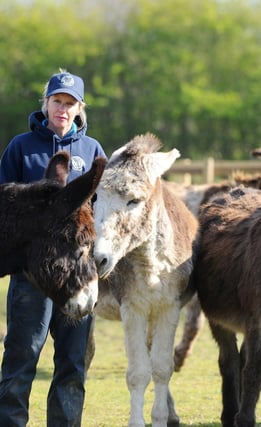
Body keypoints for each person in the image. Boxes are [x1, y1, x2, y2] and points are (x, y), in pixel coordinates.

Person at [0, 70, 106, 427]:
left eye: (70, 103)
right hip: (30, 278)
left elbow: (102, 209)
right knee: (21, 357)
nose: (63, 109)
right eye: (57, 101)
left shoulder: (92, 152)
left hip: (75, 272)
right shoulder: (20, 147)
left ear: (80, 109)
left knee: (72, 363)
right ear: (45, 103)